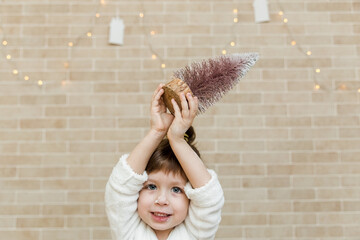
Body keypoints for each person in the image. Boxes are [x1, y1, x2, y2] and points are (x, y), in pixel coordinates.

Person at [105, 84, 224, 240]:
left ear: (191, 198)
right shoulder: (127, 232)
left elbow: (209, 196)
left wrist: (177, 140)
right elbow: (120, 186)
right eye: (152, 186)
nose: (161, 200)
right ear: (137, 191)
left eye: (176, 190)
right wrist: (157, 131)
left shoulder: (197, 235)